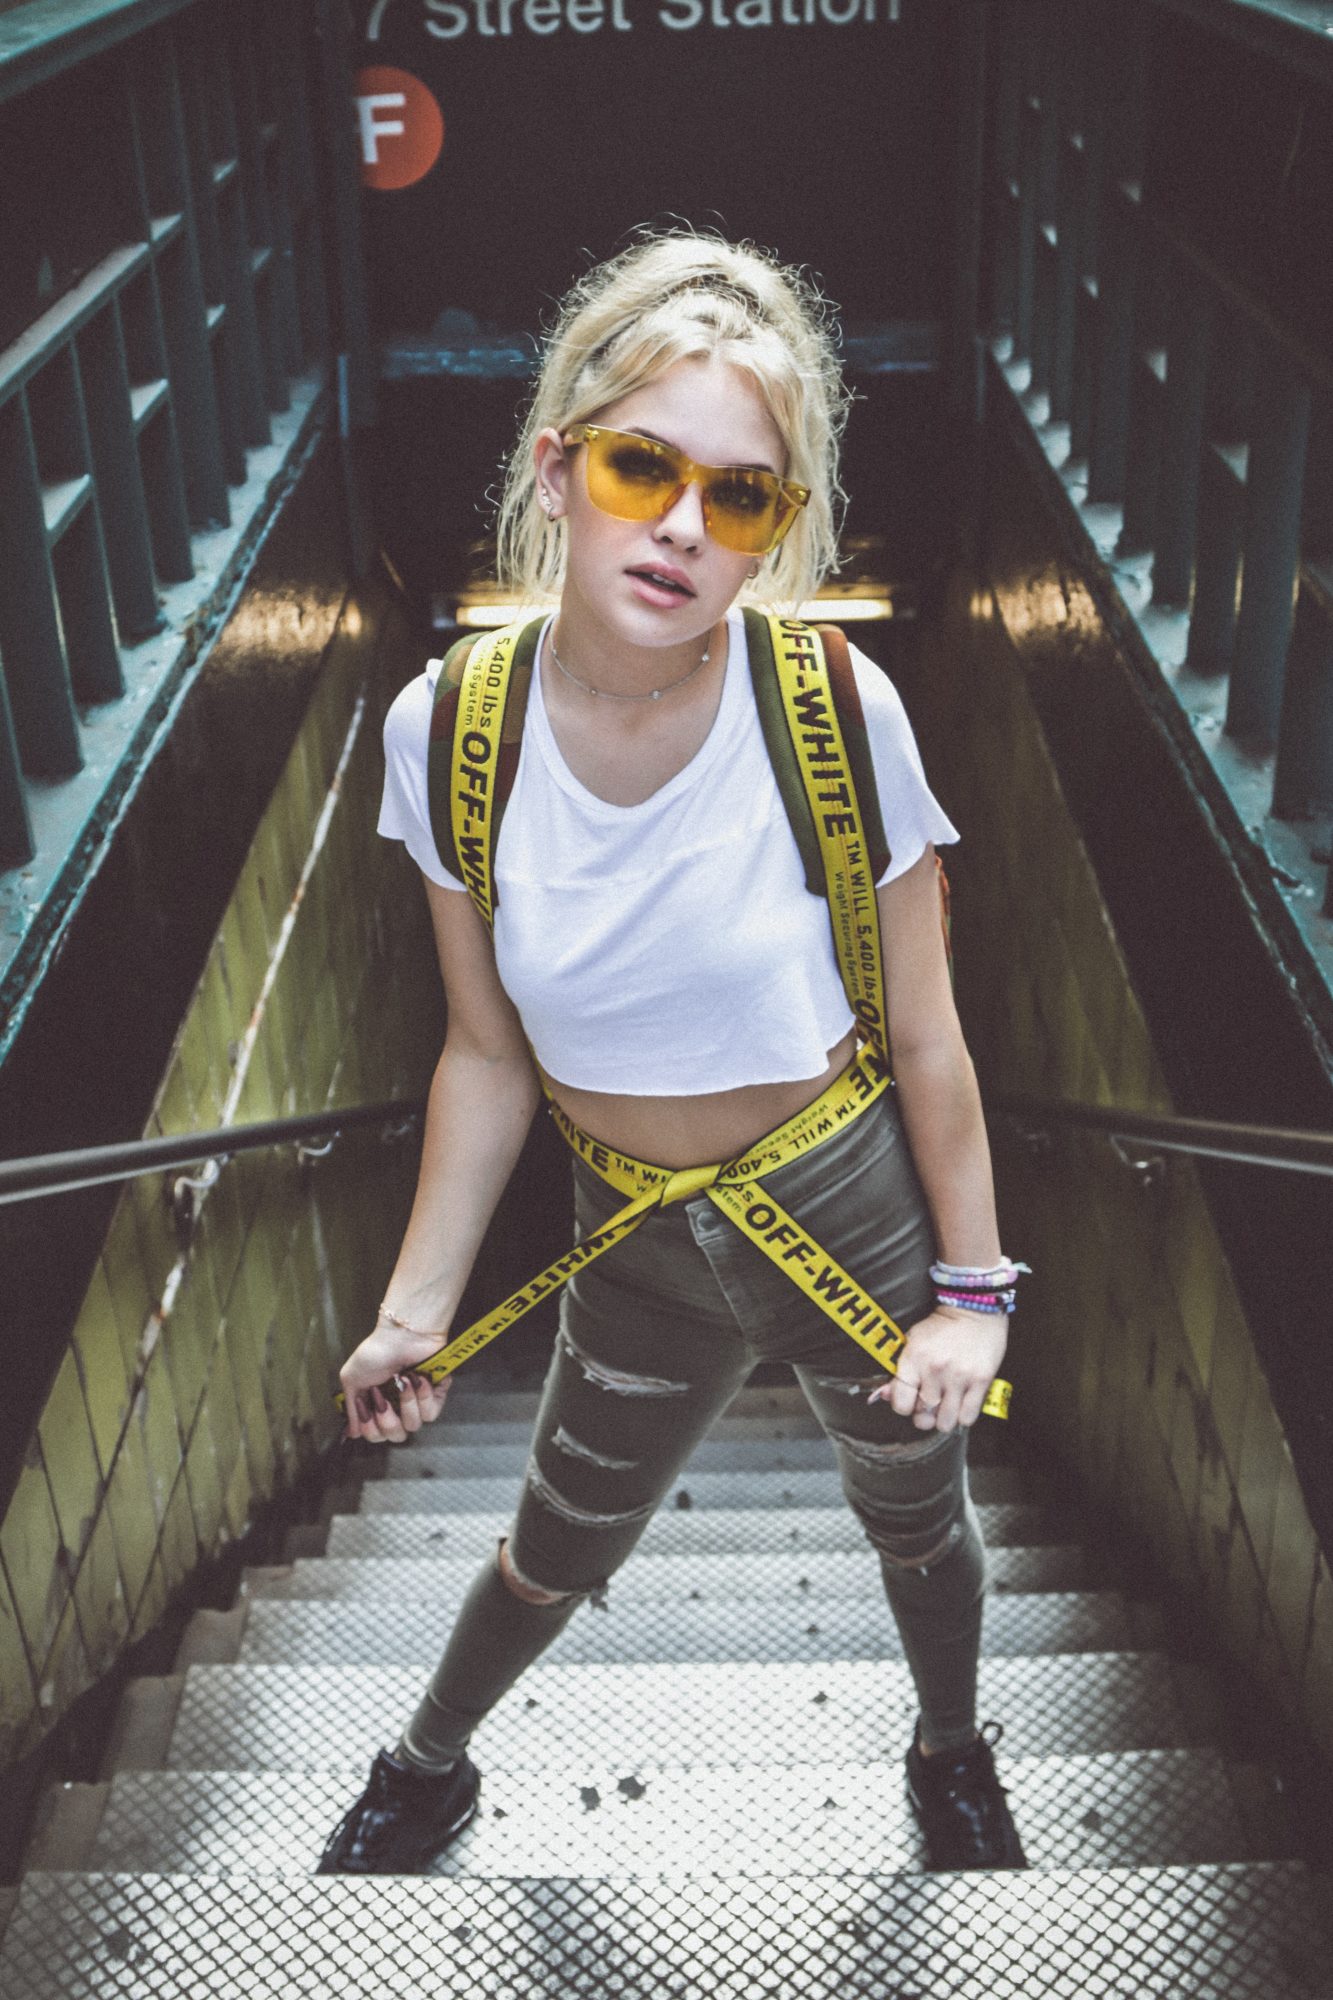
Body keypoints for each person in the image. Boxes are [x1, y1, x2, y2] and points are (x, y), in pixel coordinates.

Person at [318, 231, 1026, 1878]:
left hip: (847, 1208)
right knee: (558, 1538)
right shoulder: (449, 728)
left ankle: (951, 1750)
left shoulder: (833, 707)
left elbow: (927, 1032)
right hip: (629, 1230)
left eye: (742, 496)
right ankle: (426, 1766)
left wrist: (972, 1296)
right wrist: (416, 1308)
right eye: (642, 468)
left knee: (918, 1523)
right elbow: (486, 1052)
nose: (685, 528)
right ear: (555, 469)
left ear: (778, 524)